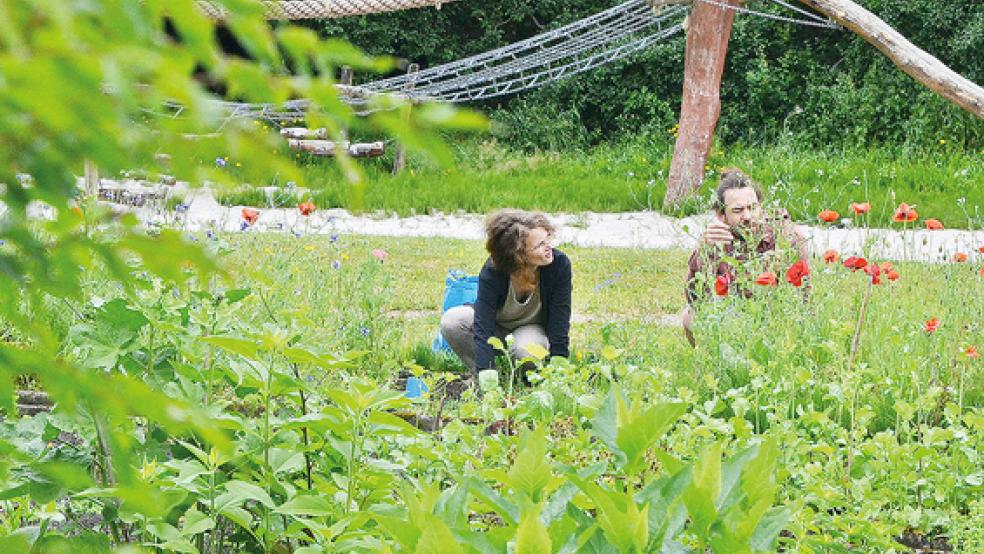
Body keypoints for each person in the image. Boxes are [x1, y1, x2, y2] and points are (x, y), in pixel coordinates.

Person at [681, 169, 809, 346]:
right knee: (689, 316)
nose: (748, 216)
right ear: (721, 215)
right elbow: (695, 297)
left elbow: (802, 293)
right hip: (734, 313)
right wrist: (704, 250)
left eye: (753, 207)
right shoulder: (716, 239)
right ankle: (712, 364)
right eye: (738, 210)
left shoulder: (783, 234)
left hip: (775, 312)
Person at [440, 209, 572, 378]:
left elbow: (559, 319)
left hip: (531, 329)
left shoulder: (559, 265)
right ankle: (483, 372)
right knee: (452, 321)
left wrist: (559, 365)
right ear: (519, 254)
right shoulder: (493, 271)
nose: (549, 248)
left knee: (526, 352)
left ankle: (523, 379)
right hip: (498, 326)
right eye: (540, 245)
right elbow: (483, 324)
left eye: (548, 239)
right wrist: (485, 371)